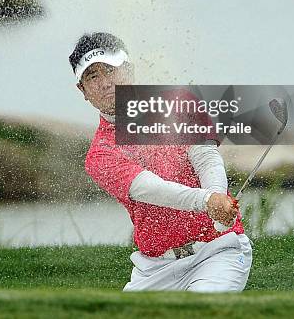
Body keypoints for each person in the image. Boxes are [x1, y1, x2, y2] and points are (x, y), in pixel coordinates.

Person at [69, 31, 253, 293]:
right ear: (83, 90)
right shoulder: (100, 154)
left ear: (129, 70)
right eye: (92, 76)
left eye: (109, 70)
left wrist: (217, 197)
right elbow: (150, 189)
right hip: (154, 268)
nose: (104, 83)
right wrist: (208, 202)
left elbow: (206, 157)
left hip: (217, 250)